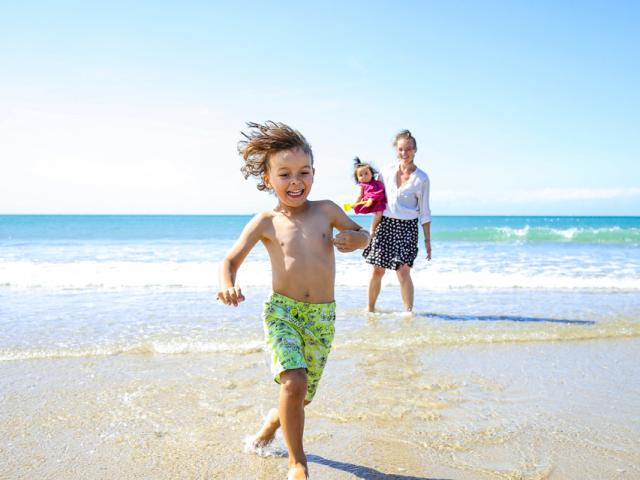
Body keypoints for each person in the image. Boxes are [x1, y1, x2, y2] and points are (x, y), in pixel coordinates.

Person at [217, 121, 370, 480]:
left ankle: (271, 426)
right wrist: (228, 284)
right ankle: (297, 463)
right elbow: (230, 261)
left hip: (321, 317)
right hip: (282, 312)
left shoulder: (327, 210)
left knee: (300, 397)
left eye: (303, 172)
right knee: (294, 382)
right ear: (268, 179)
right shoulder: (265, 221)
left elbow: (361, 232)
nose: (295, 181)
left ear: (314, 173)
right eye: (284, 174)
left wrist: (358, 240)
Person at [363, 129, 432, 313]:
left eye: (408, 149)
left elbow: (424, 212)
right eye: (401, 149)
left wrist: (427, 241)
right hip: (385, 224)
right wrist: (371, 229)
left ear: (415, 150)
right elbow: (377, 200)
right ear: (396, 150)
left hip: (408, 227)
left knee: (403, 271)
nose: (404, 153)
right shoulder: (385, 171)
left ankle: (408, 313)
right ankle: (370, 310)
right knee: (377, 269)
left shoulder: (422, 178)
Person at [350, 157, 387, 236]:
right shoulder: (363, 185)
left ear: (371, 173)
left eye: (366, 173)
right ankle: (372, 228)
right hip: (368, 200)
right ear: (358, 179)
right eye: (361, 175)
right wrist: (355, 204)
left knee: (380, 213)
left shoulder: (377, 182)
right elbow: (360, 196)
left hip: (378, 200)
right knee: (377, 211)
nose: (364, 176)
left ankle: (374, 228)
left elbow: (383, 190)